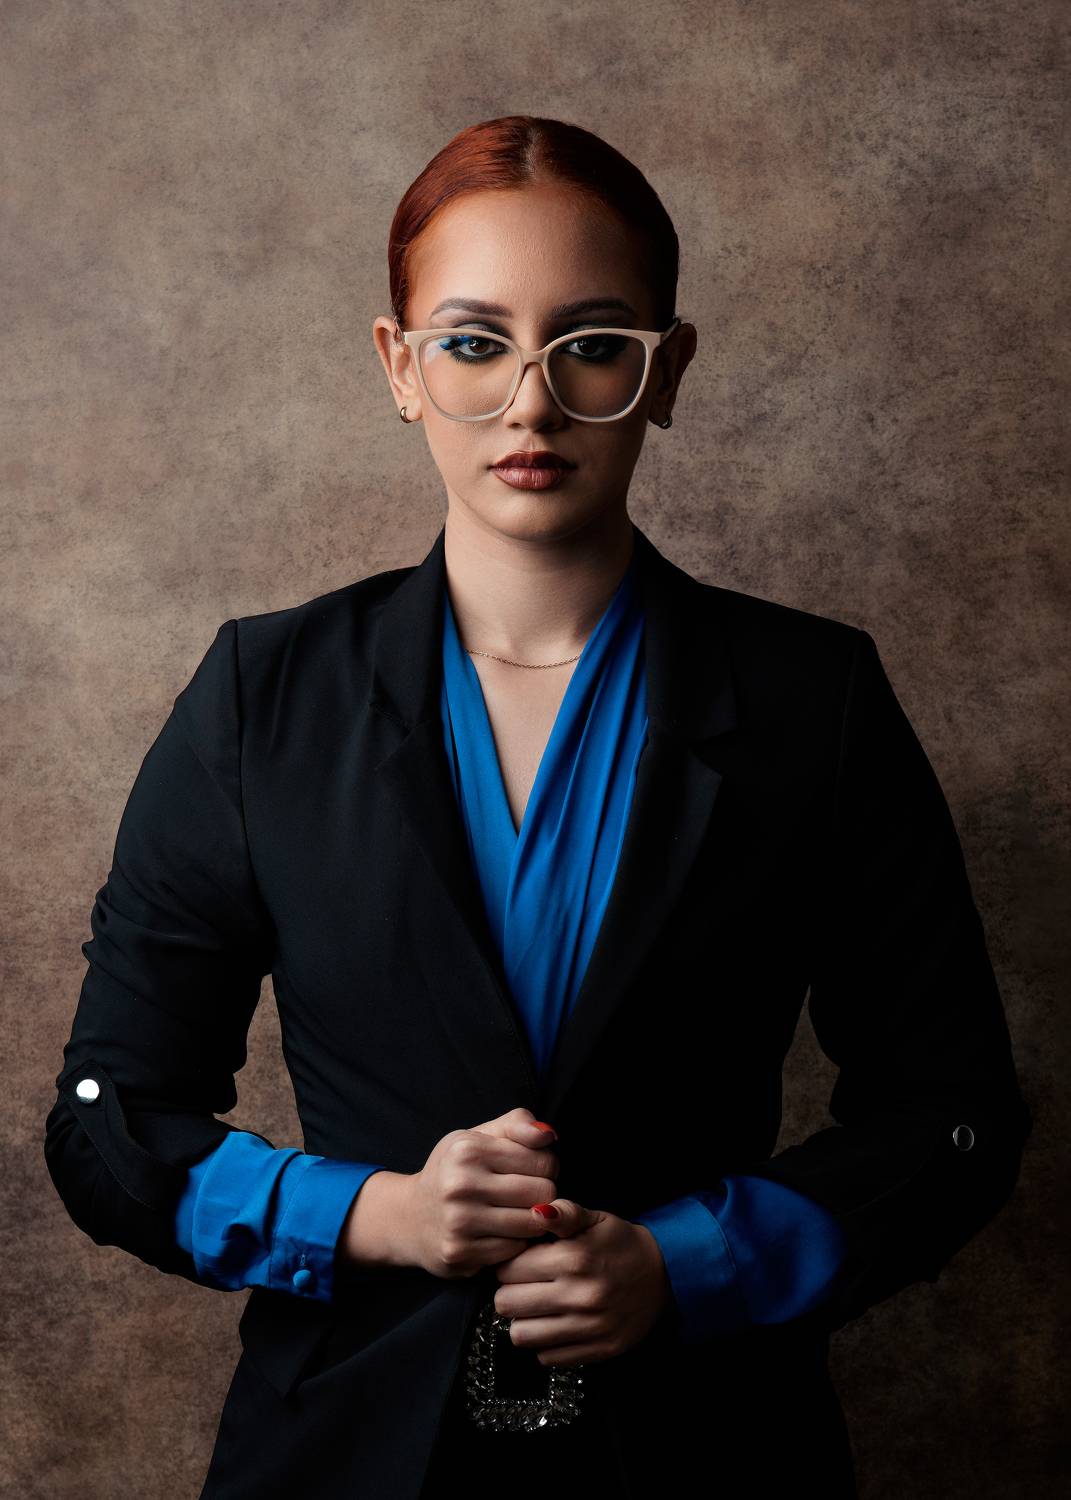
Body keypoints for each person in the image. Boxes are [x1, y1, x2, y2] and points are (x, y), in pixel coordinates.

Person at [44, 115, 1031, 1500]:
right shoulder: (263, 698)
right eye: (473, 343)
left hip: (706, 1454)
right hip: (344, 1452)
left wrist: (687, 1262)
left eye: (592, 344)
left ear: (665, 371)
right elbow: (107, 1121)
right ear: (399, 368)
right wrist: (375, 1215)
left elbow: (951, 1112)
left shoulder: (817, 700)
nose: (531, 403)